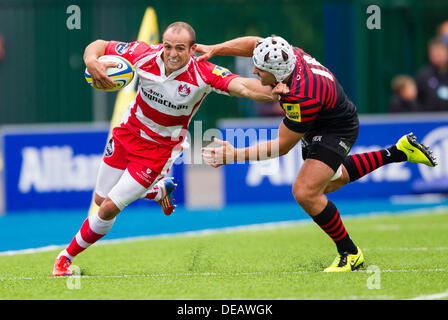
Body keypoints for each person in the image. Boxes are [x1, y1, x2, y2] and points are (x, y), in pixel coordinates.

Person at [52, 22, 281, 277]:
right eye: (168, 46)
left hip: (158, 152)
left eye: (180, 48)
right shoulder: (143, 54)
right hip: (126, 134)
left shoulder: (205, 73)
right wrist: (91, 60)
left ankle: (64, 259)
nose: (172, 53)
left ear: (193, 49)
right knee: (99, 199)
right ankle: (158, 189)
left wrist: (279, 92)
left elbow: (246, 87)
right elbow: (100, 45)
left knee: (107, 208)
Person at [198, 35, 438, 272]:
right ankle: (398, 152)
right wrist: (215, 48)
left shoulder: (301, 97)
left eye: (260, 69)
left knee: (306, 191)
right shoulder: (284, 52)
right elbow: (255, 44)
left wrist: (235, 154)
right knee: (330, 181)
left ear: (277, 72)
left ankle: (350, 253)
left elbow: (281, 146)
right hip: (322, 116)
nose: (254, 71)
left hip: (336, 128)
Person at [415, 37, 448, 112]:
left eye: (441, 50)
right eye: (434, 51)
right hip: (429, 120)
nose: (438, 54)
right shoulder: (423, 75)